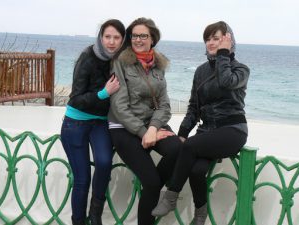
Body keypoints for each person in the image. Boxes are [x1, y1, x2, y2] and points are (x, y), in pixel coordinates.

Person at [151, 21, 250, 225]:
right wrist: (182, 133)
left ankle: (170, 196)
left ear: (229, 40)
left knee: (190, 147)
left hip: (232, 130)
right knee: (196, 170)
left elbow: (226, 82)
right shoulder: (201, 71)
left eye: (217, 38)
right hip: (207, 132)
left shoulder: (241, 69)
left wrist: (223, 54)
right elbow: (194, 107)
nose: (211, 42)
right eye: (208, 39)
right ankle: (200, 213)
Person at [108, 17, 182, 225]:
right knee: (151, 183)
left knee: (177, 149)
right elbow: (119, 107)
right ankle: (152, 191)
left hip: (151, 125)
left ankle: (153, 188)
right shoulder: (120, 62)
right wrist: (144, 132)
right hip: (124, 128)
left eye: (143, 35)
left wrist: (153, 128)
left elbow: (165, 105)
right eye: (135, 36)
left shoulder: (159, 64)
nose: (138, 39)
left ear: (152, 39)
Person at [60, 19, 125, 225]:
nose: (112, 42)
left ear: (123, 39)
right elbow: (76, 98)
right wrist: (104, 93)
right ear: (100, 37)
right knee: (82, 179)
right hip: (76, 123)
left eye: (116, 37)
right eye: (107, 37)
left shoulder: (121, 60)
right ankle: (78, 221)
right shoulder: (87, 58)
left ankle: (95, 215)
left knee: (105, 163)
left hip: (100, 123)